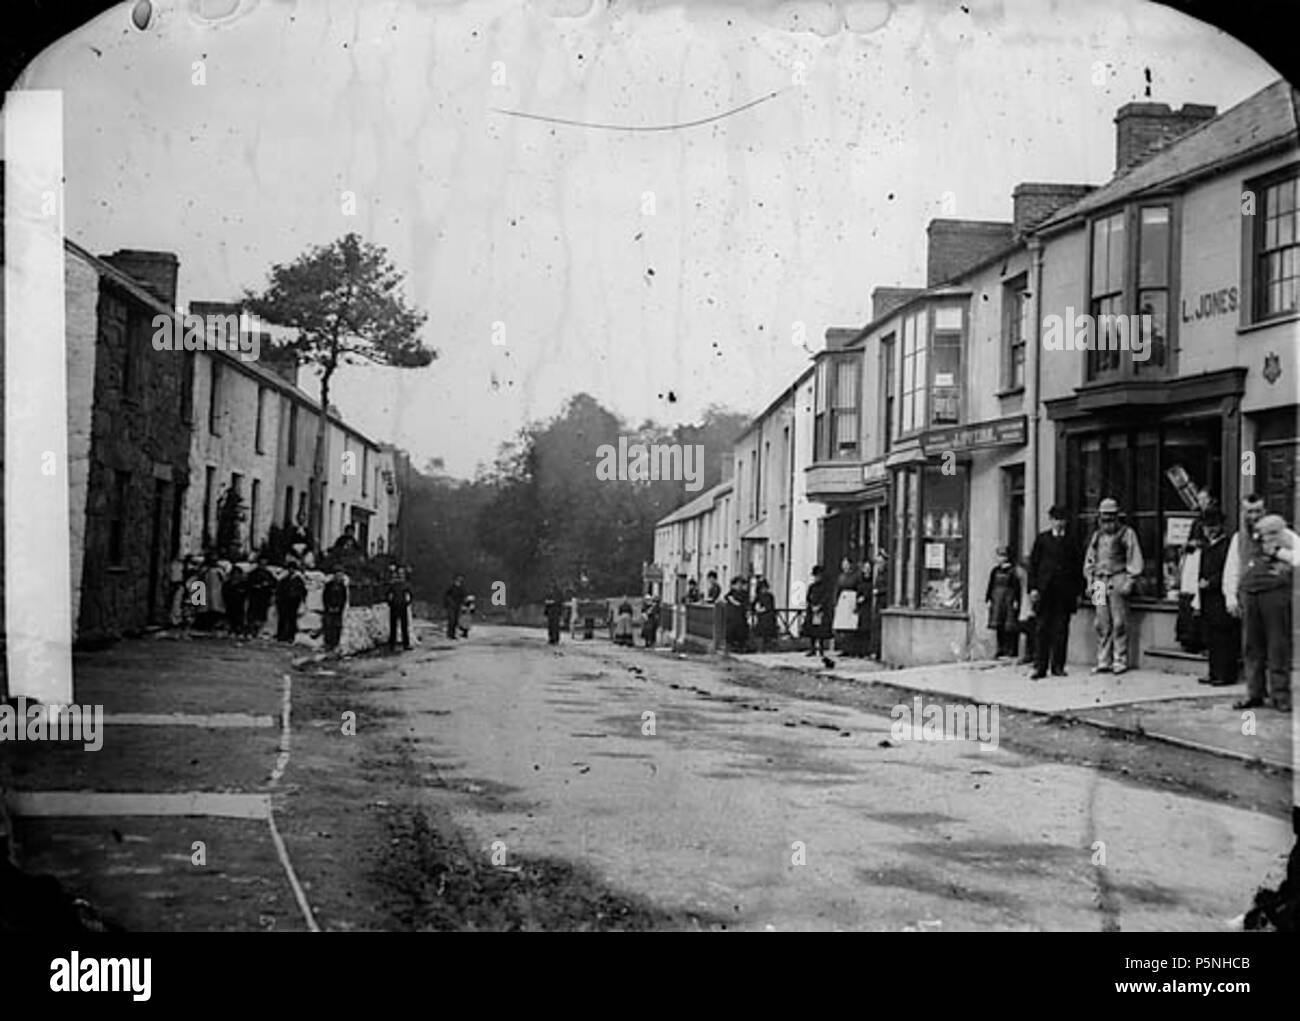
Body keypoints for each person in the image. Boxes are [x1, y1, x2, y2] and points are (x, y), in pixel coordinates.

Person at [1223, 496, 1295, 712]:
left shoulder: (1282, 534)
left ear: (1265, 512)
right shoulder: (1239, 538)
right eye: (1249, 512)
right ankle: (1254, 693)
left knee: (1277, 645)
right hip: (1249, 595)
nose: (1253, 516)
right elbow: (1232, 567)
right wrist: (1230, 597)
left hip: (1274, 594)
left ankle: (1280, 695)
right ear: (1243, 513)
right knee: (1251, 647)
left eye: (1257, 511)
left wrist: (1278, 552)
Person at [1083, 497, 1145, 675]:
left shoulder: (1126, 533)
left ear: (1117, 516)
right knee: (1101, 622)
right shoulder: (1097, 536)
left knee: (1119, 622)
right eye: (1104, 516)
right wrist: (1090, 581)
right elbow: (1090, 559)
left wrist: (1130, 580)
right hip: (1099, 582)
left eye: (1111, 516)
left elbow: (1134, 556)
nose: (1107, 520)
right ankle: (1103, 660)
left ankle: (1120, 659)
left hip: (1117, 578)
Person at [1028, 505, 1082, 680]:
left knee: (1061, 629)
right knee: (1042, 628)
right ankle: (1040, 667)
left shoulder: (1072, 541)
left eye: (1062, 520)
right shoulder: (1042, 539)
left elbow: (1077, 568)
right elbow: (1033, 565)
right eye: (1056, 519)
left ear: (1066, 521)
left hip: (1064, 593)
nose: (1059, 523)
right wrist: (1033, 588)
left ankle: (1058, 666)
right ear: (1050, 520)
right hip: (1045, 592)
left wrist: (1078, 592)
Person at [1193, 509, 1238, 687]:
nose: (1209, 530)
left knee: (1223, 637)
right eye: (1206, 527)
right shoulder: (1206, 547)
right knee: (1211, 638)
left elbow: (1229, 572)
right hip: (1208, 600)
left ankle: (1224, 674)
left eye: (1213, 526)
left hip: (1221, 597)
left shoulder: (1226, 546)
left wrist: (1210, 582)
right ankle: (1213, 672)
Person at [985, 546, 1021, 659]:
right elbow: (990, 585)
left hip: (1008, 598)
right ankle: (1000, 649)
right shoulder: (995, 571)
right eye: (999, 556)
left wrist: (1016, 600)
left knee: (1009, 624)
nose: (1000, 558)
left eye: (1002, 556)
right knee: (998, 623)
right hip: (997, 599)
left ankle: (1010, 649)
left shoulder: (1012, 571)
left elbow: (1016, 587)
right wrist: (988, 599)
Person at [804, 565, 835, 669]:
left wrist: (820, 606)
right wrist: (812, 606)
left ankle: (821, 648)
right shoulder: (811, 587)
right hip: (812, 610)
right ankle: (812, 648)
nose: (816, 578)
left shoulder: (825, 587)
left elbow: (826, 597)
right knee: (811, 629)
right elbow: (808, 597)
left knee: (821, 630)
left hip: (821, 610)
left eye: (818, 576)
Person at [833, 556, 862, 657]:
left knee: (851, 625)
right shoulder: (841, 577)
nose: (845, 566)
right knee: (843, 625)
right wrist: (836, 602)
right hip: (843, 600)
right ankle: (844, 648)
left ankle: (852, 649)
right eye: (843, 564)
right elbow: (837, 589)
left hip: (851, 599)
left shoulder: (855, 576)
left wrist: (857, 601)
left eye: (846, 564)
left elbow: (859, 588)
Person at [274, 561, 307, 642]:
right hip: (284, 602)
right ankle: (281, 636)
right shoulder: (284, 579)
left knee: (291, 619)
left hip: (294, 602)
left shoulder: (298, 580)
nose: (291, 570)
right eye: (290, 568)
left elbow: (303, 592)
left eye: (292, 568)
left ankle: (290, 636)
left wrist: (299, 599)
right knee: (283, 618)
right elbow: (279, 591)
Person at [246, 557, 276, 637]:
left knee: (262, 615)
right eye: (261, 564)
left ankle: (259, 631)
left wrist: (267, 585)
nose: (263, 566)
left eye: (264, 564)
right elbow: (248, 584)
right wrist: (255, 586)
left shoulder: (268, 574)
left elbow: (273, 584)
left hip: (264, 597)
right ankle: (251, 631)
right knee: (253, 614)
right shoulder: (253, 574)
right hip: (254, 597)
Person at [868, 550, 889, 660]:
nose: (879, 565)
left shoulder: (888, 574)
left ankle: (878, 652)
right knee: (876, 626)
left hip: (884, 601)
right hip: (878, 603)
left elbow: (890, 587)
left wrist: (879, 591)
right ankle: (875, 651)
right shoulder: (879, 573)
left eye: (880, 562)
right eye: (877, 563)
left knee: (880, 626)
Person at [388, 566, 413, 650]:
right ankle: (392, 644)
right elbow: (389, 595)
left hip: (402, 606)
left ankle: (405, 644)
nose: (401, 575)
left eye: (402, 573)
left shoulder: (405, 584)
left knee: (404, 626)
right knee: (394, 626)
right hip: (395, 606)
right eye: (400, 573)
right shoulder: (393, 584)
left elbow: (409, 595)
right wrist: (390, 602)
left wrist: (407, 602)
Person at [322, 567, 348, 650]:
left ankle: (335, 643)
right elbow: (325, 597)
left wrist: (339, 608)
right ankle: (328, 643)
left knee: (337, 627)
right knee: (328, 626)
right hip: (329, 608)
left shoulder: (342, 586)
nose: (339, 577)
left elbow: (344, 598)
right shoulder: (329, 585)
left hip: (338, 609)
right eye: (338, 575)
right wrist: (328, 607)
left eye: (341, 575)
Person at [724, 577, 750, 653]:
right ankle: (732, 646)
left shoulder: (744, 593)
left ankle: (741, 647)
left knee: (741, 632)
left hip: (740, 616)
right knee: (731, 631)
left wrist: (734, 601)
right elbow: (726, 597)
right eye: (737, 584)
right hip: (731, 616)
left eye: (740, 584)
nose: (739, 586)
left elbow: (744, 603)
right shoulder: (731, 592)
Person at [753, 578, 778, 652]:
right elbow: (753, 605)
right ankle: (761, 648)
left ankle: (767, 648)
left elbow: (769, 607)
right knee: (761, 634)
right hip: (762, 617)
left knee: (768, 634)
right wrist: (756, 609)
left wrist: (760, 610)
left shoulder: (769, 596)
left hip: (768, 617)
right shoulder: (759, 596)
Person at [224, 565, 248, 637]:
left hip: (240, 606)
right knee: (230, 619)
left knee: (240, 619)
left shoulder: (244, 584)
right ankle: (231, 631)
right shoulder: (227, 584)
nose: (236, 575)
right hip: (229, 605)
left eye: (238, 574)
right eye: (234, 573)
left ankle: (240, 631)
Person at [444, 573, 466, 640]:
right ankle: (449, 634)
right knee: (451, 620)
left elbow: (462, 597)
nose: (458, 582)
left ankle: (452, 634)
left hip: (457, 605)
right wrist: (450, 603)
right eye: (458, 580)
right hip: (451, 606)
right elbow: (447, 596)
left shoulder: (461, 589)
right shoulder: (451, 587)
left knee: (456, 620)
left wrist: (462, 603)